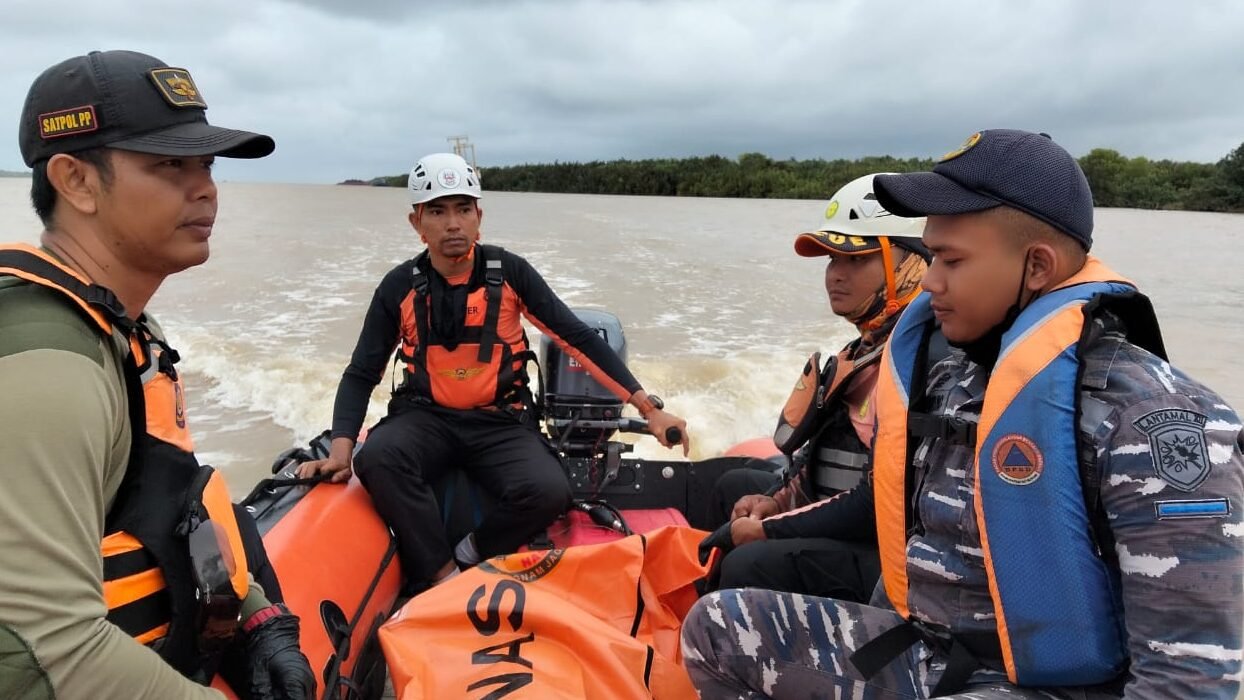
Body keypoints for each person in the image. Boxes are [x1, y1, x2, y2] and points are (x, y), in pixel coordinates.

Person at [680, 129, 1244, 699]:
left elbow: (1188, 680)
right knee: (716, 628)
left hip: (1044, 687)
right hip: (928, 651)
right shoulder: (953, 379)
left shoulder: (1156, 420)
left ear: (1037, 266)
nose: (928, 280)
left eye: (950, 260)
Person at [0, 50, 315, 699]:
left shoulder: (127, 329)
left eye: (205, 163)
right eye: (169, 165)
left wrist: (256, 619)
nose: (205, 188)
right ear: (76, 181)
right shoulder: (49, 365)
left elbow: (170, 501)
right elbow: (45, 646)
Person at [298, 152, 690, 592]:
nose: (453, 224)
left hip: (500, 420)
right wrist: (340, 451)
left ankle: (470, 553)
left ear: (478, 216)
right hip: (426, 418)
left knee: (550, 491)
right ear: (416, 223)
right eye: (438, 211)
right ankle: (441, 575)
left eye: (463, 209)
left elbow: (576, 337)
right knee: (377, 458)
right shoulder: (400, 286)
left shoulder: (511, 273)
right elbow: (360, 373)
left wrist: (648, 407)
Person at [700, 174, 930, 602]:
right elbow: (826, 449)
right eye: (831, 260)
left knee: (745, 561)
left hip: (893, 553)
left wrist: (770, 528)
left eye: (855, 260)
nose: (834, 276)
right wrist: (776, 499)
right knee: (733, 486)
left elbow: (875, 504)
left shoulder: (917, 359)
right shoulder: (865, 348)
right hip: (854, 522)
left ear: (910, 262)